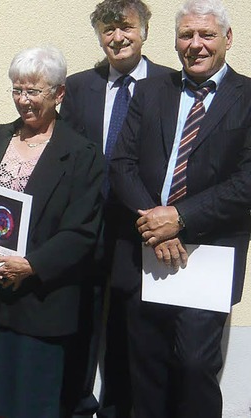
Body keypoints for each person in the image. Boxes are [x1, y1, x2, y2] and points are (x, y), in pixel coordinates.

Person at [109, 0, 251, 416]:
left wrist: (181, 218)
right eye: (187, 35)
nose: (196, 44)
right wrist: (155, 221)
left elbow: (247, 181)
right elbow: (121, 164)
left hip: (209, 253)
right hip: (148, 248)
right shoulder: (152, 91)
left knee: (194, 367)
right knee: (147, 368)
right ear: (174, 42)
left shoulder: (248, 97)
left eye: (206, 34)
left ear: (227, 39)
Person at [0, 46, 103, 418]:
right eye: (17, 90)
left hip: (41, 302)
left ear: (59, 94)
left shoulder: (82, 154)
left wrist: (30, 265)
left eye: (33, 91)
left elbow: (81, 231)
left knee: (32, 404)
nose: (23, 100)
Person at [59, 1, 172, 416]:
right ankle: (75, 406)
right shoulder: (78, 87)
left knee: (129, 326)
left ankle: (118, 409)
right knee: (81, 320)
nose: (117, 37)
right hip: (87, 227)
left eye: (126, 27)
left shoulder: (170, 83)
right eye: (108, 30)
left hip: (139, 226)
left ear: (144, 31)